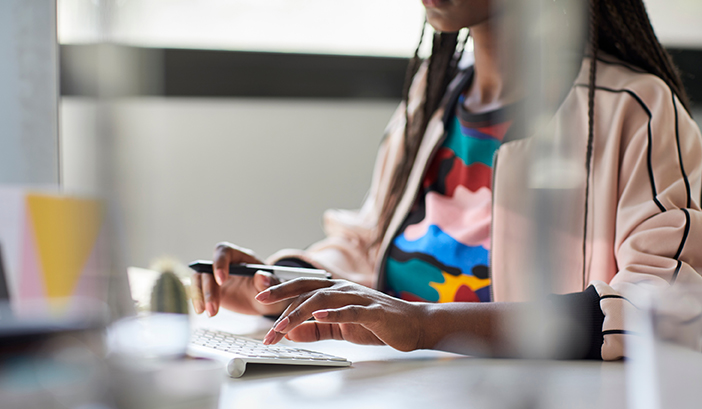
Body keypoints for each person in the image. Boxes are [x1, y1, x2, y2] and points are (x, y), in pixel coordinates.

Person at [192, 0, 702, 360]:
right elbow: (368, 246)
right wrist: (274, 285)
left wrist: (427, 324)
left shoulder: (638, 110)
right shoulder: (434, 98)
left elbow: (664, 308)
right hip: (407, 407)